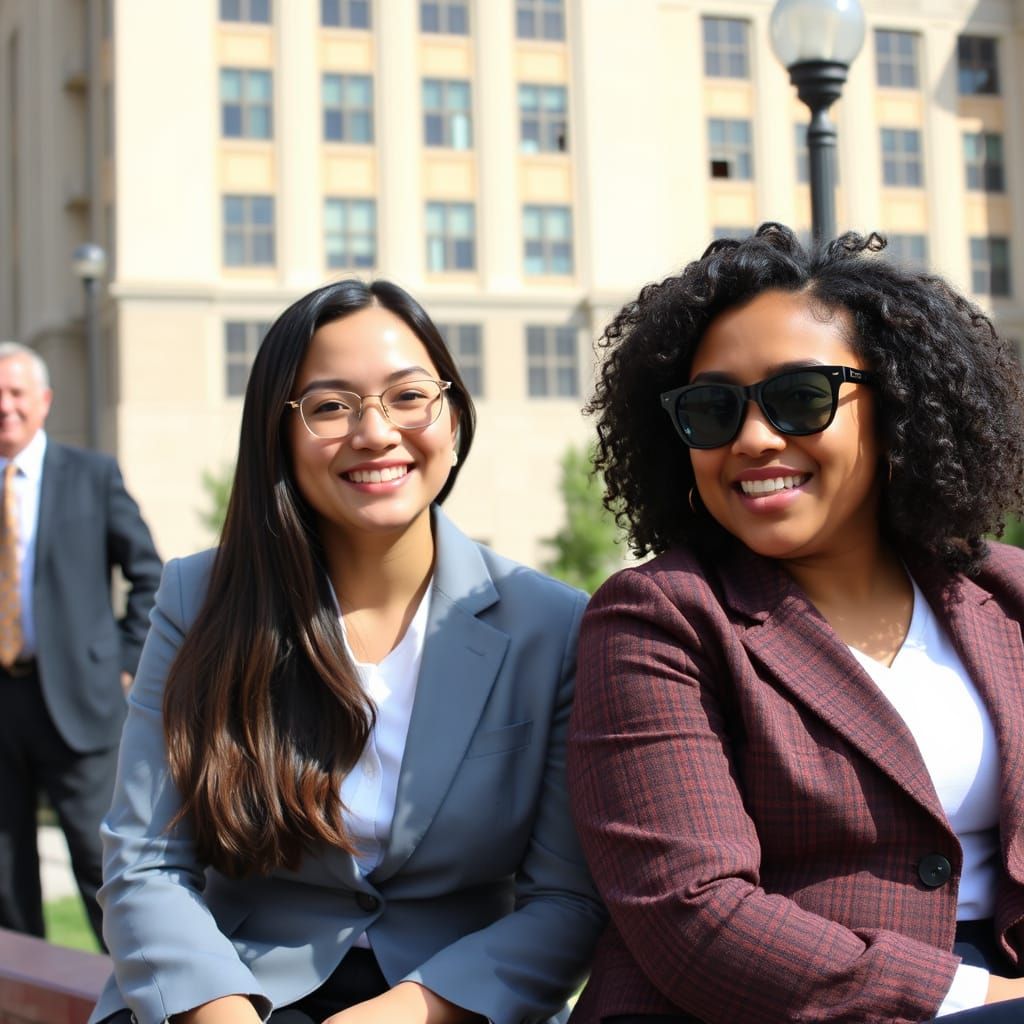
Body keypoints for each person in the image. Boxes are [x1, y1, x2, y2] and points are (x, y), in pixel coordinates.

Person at [90, 279, 604, 1024]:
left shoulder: (552, 624)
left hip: (450, 999)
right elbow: (145, 861)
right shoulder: (198, 599)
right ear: (280, 435)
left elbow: (565, 900)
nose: (375, 432)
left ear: (454, 419)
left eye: (408, 397)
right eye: (330, 406)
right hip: (236, 987)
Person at [566, 224, 1024, 1024]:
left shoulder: (1007, 594)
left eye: (801, 397)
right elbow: (694, 911)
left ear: (898, 406)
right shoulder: (660, 619)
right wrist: (981, 997)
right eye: (712, 410)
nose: (752, 438)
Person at [0, 341, 162, 945]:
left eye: (16, 392)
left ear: (43, 401)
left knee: (105, 870)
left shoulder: (92, 476)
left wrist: (123, 665)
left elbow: (149, 573)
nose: (5, 406)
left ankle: (138, 999)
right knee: (5, 881)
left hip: (80, 703)